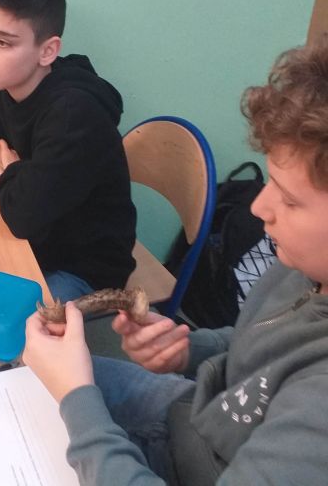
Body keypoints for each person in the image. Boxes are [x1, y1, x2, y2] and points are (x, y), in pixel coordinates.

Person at [23, 36, 328, 485]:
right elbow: (263, 343)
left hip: (201, 464)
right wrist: (190, 349)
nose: (259, 207)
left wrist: (78, 400)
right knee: (21, 375)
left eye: (289, 199)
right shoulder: (304, 264)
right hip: (195, 415)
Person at [0, 0, 137, 302]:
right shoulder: (9, 81)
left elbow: (22, 217)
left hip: (81, 269)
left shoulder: (74, 115)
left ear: (47, 51)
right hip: (40, 239)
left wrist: (14, 170)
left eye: (3, 43)